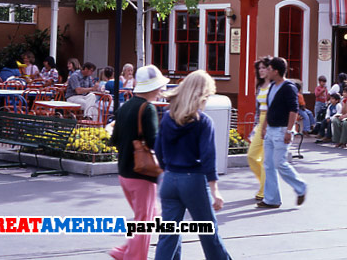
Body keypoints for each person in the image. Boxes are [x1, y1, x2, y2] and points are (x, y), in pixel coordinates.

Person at [154, 69, 231, 260]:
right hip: (193, 180)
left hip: (170, 179)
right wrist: (215, 190)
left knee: (168, 235)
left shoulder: (167, 117)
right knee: (208, 232)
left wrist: (169, 172)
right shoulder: (203, 122)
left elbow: (159, 151)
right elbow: (208, 158)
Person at [109, 64, 167, 260]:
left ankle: (124, 251)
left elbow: (114, 139)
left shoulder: (125, 107)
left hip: (124, 171)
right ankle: (134, 256)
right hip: (141, 173)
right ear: (152, 88)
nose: (161, 91)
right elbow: (154, 142)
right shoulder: (147, 108)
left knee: (148, 217)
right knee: (145, 222)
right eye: (159, 87)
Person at [256, 56, 307, 209]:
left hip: (281, 130)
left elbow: (293, 109)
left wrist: (289, 130)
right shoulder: (272, 86)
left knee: (280, 163)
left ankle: (301, 187)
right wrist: (264, 127)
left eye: (269, 69)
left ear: (276, 71)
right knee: (269, 164)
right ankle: (271, 199)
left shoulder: (288, 87)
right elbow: (270, 108)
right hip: (271, 129)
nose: (267, 71)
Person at [247, 56, 271, 202]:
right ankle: (264, 184)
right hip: (260, 121)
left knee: (266, 159)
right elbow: (258, 109)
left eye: (264, 68)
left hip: (270, 122)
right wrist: (257, 125)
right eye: (259, 68)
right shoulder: (260, 86)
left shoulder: (274, 85)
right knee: (252, 155)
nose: (261, 71)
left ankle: (263, 191)